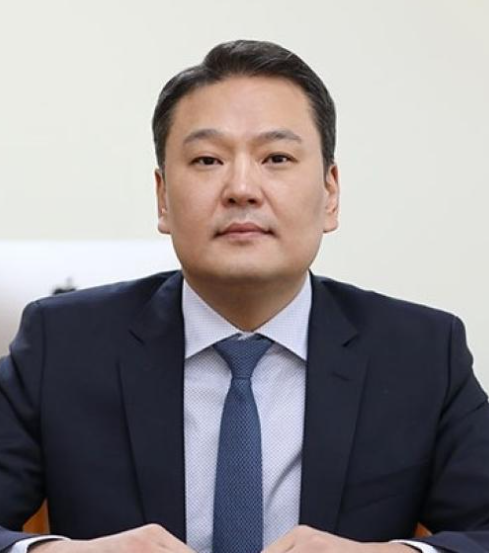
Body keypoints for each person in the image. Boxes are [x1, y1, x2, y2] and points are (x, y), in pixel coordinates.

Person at [1, 40, 488, 553]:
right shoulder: (62, 345)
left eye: (276, 158)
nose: (241, 188)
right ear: (163, 198)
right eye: (208, 159)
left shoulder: (421, 352)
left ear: (330, 193)